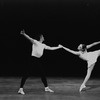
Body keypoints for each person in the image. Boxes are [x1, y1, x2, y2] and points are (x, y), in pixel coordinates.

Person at [18, 30, 62, 94]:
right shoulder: (35, 42)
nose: (43, 37)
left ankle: (46, 88)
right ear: (40, 37)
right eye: (42, 36)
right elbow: (29, 38)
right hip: (32, 59)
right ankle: (20, 89)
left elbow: (51, 48)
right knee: (27, 74)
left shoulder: (43, 45)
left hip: (37, 60)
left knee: (42, 74)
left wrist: (58, 47)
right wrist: (24, 34)